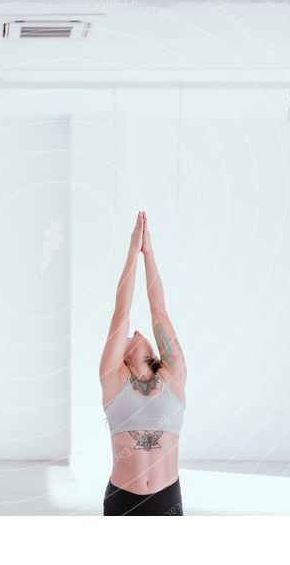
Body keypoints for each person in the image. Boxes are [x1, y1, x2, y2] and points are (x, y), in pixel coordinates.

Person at [100, 211, 188, 516]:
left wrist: (148, 252)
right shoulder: (112, 379)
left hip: (167, 499)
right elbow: (121, 312)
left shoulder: (174, 376)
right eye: (130, 334)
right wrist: (131, 252)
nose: (136, 330)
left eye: (141, 331)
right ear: (121, 354)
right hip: (122, 500)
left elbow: (159, 312)